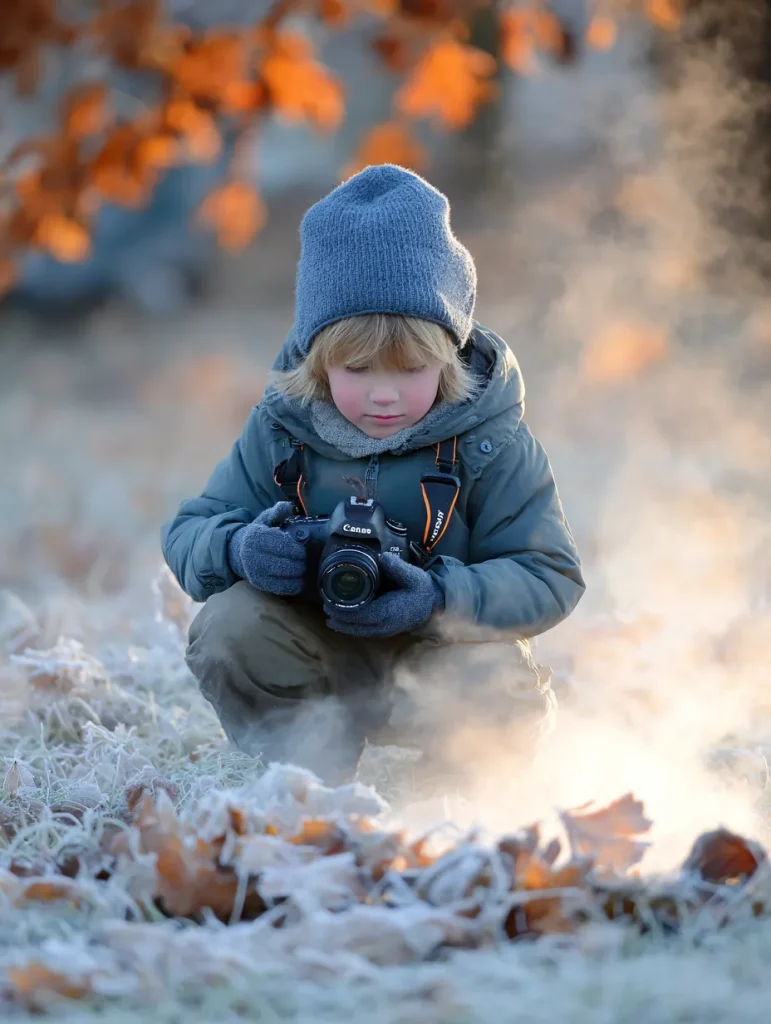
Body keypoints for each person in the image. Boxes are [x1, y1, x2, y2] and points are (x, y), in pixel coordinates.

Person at [161, 164, 585, 786]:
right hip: (316, 656)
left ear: (448, 356)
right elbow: (188, 531)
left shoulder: (492, 441)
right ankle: (305, 779)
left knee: (500, 681)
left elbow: (551, 574)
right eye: (357, 369)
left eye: (410, 368)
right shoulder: (283, 428)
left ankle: (455, 798)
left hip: (438, 663)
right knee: (228, 626)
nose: (383, 395)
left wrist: (438, 596)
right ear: (317, 360)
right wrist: (242, 548)